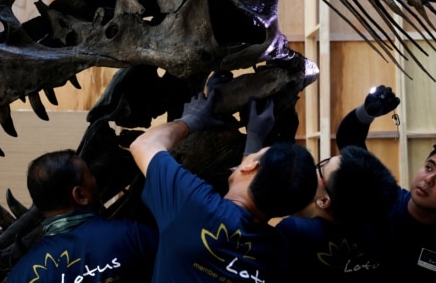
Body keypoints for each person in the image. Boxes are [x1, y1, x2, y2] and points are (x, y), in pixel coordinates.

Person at [129, 87, 318, 283]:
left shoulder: (193, 206)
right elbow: (246, 210)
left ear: (251, 166)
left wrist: (188, 121)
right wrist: (254, 140)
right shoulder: (277, 252)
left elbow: (144, 145)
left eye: (257, 154)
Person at [337, 86, 436, 281]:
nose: (429, 179)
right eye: (429, 167)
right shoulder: (381, 196)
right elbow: (349, 141)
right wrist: (366, 112)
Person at [6, 149, 158, 283]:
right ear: (80, 195)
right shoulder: (134, 237)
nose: (95, 180)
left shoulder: (20, 275)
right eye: (91, 176)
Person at [275, 145, 399, 282]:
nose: (313, 170)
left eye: (320, 169)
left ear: (324, 200)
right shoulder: (379, 227)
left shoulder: (294, 230)